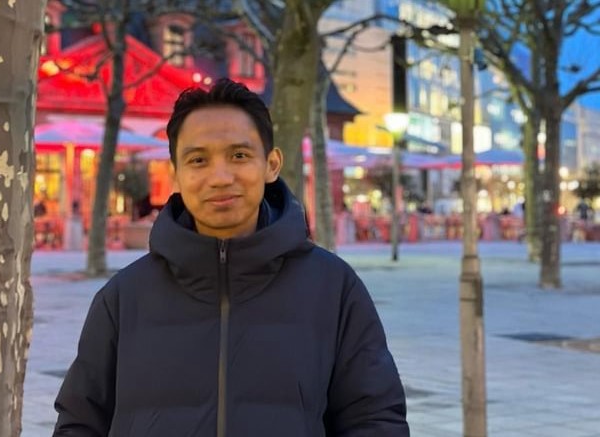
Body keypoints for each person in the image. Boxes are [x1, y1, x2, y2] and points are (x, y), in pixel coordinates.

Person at [53, 78, 409, 436]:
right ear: (177, 174)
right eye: (198, 160)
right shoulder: (124, 297)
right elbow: (80, 423)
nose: (220, 178)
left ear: (271, 164)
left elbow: (374, 420)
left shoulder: (332, 288)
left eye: (239, 155)